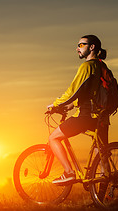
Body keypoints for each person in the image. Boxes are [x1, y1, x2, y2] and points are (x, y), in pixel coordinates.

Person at [47, 35, 109, 185]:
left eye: (81, 45)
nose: (77, 48)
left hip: (86, 116)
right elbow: (89, 92)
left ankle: (69, 172)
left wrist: (55, 104)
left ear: (92, 47)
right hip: (102, 116)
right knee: (101, 156)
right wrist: (70, 106)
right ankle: (103, 198)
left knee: (53, 138)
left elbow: (73, 91)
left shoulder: (87, 66)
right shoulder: (102, 66)